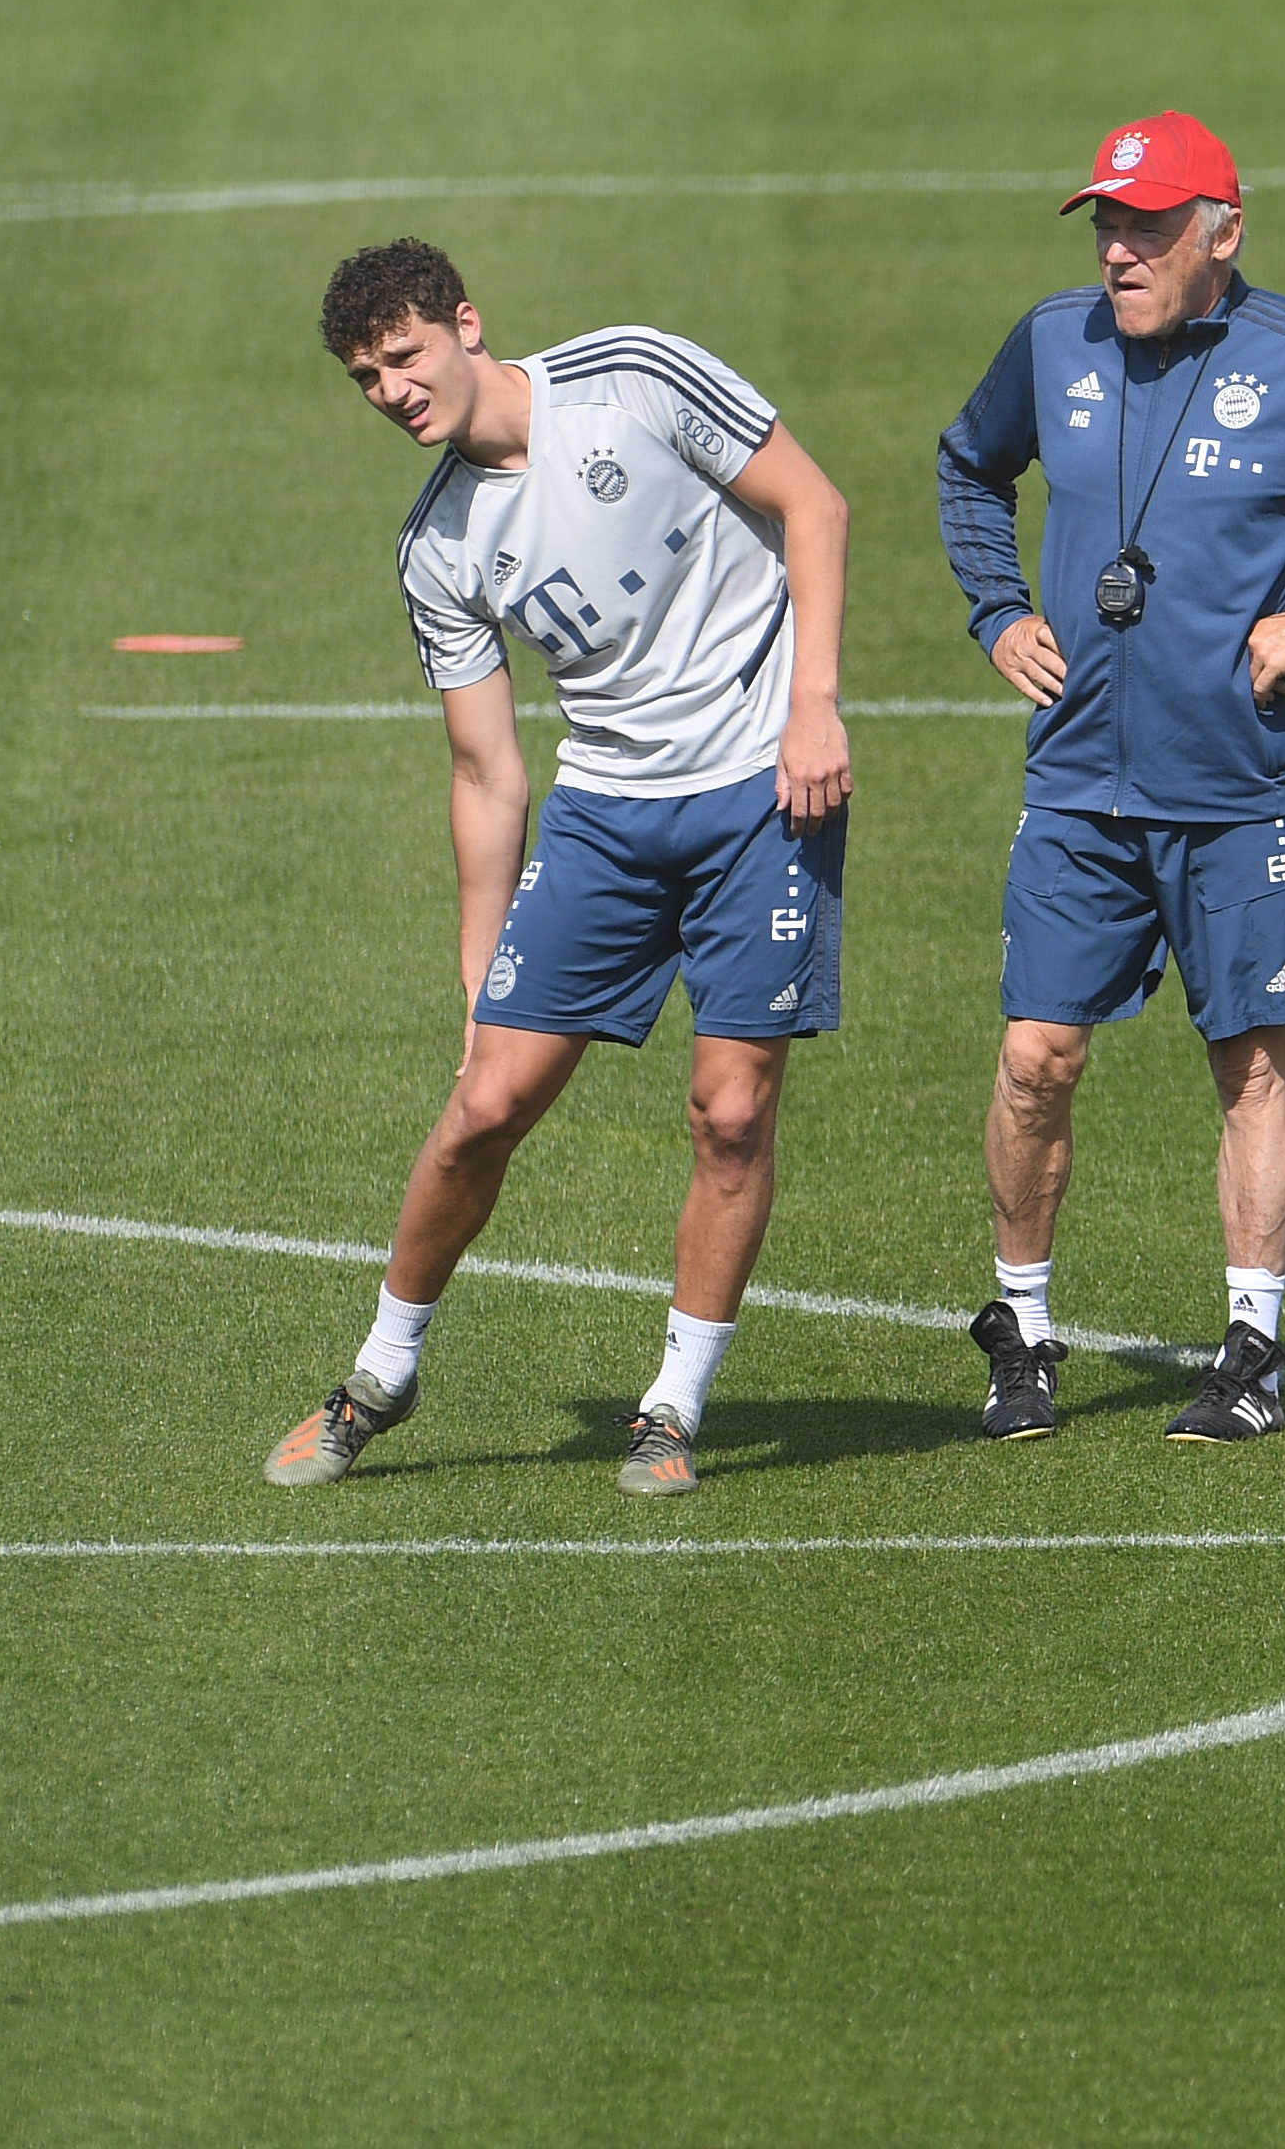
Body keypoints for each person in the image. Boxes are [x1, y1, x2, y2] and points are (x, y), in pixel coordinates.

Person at [937, 110, 1285, 1446]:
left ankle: (1250, 1351)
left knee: (1249, 1064)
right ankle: (1024, 1331)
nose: (1118, 252)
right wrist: (997, 608)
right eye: (1106, 224)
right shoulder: (1050, 342)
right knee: (1035, 1058)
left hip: (1241, 788)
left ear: (1221, 234)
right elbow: (968, 465)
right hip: (1079, 781)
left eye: (1147, 227)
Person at [267, 239, 854, 1499]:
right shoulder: (437, 548)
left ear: (466, 325)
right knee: (485, 1106)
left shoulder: (635, 376)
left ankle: (672, 1406)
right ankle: (380, 1374)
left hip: (764, 792)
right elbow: (487, 772)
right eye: (366, 377)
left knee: (732, 1114)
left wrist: (814, 706)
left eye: (405, 355)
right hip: (608, 818)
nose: (391, 391)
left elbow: (815, 505)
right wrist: (477, 978)